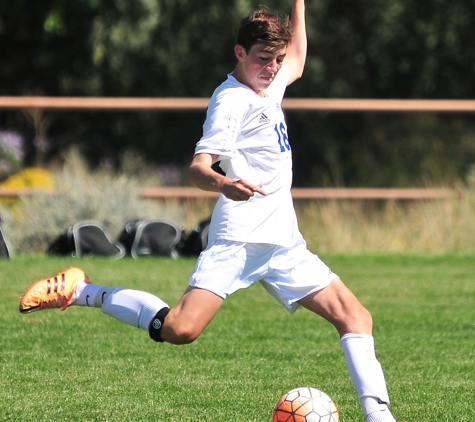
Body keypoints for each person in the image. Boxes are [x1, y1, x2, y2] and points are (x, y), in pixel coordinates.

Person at [19, 2, 398, 421]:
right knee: (180, 329)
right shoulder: (230, 100)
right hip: (238, 237)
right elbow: (198, 168)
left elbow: (299, 58)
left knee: (356, 317)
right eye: (262, 59)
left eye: (276, 59)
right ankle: (81, 290)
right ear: (240, 53)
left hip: (284, 243)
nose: (272, 67)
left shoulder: (270, 81)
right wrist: (223, 184)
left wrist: (299, 6)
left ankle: (380, 418)